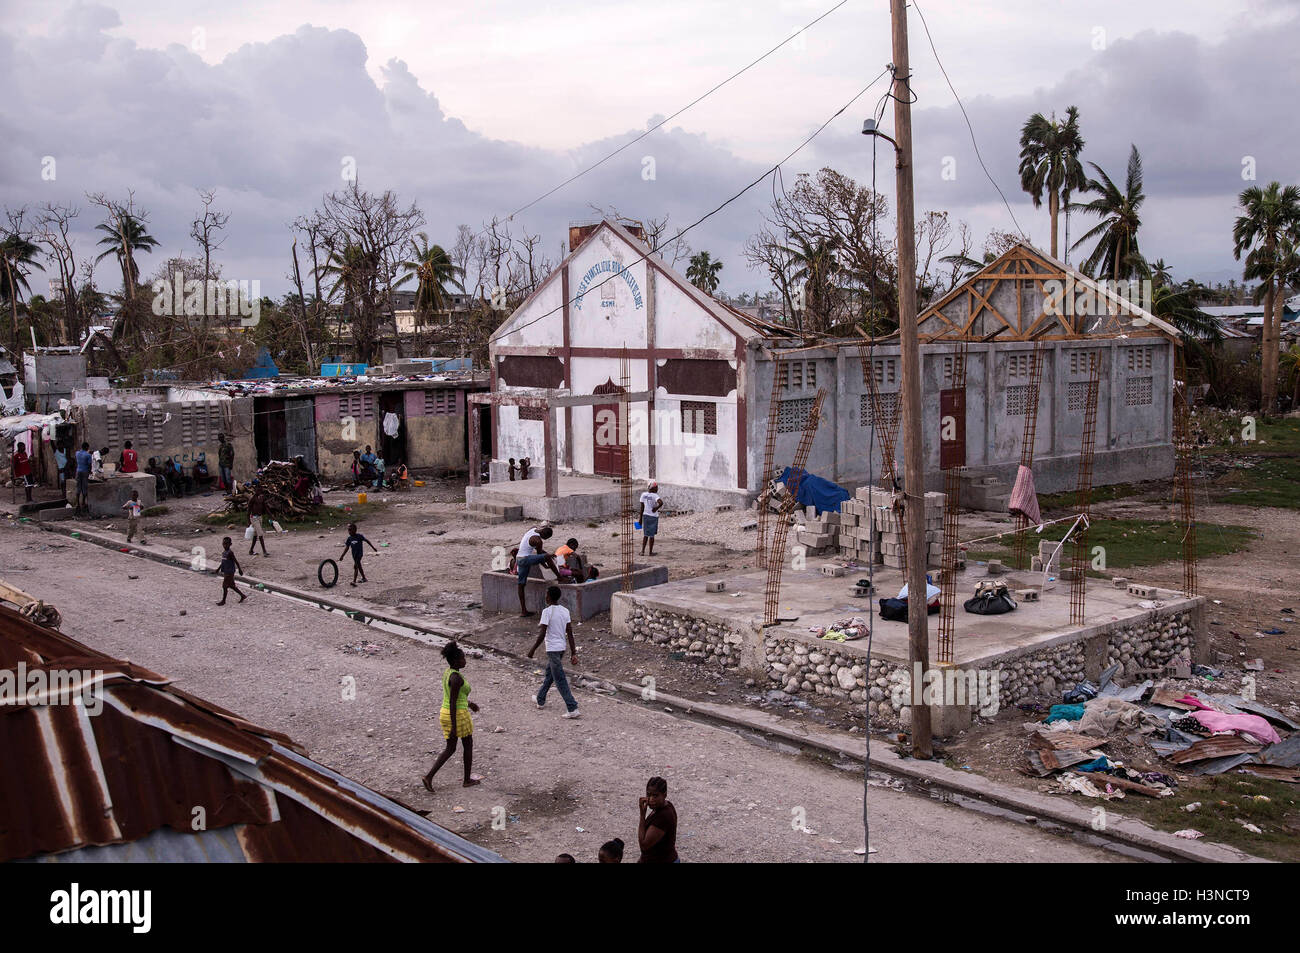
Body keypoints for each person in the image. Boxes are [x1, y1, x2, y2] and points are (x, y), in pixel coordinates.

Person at [422, 642, 482, 791]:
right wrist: (454, 727)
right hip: (457, 715)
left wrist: (470, 704)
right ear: (455, 661)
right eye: (462, 658)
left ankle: (429, 777)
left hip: (445, 712)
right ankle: (467, 780)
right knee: (467, 745)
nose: (465, 661)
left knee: (450, 748)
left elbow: (455, 697)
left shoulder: (448, 673)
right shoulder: (456, 679)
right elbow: (454, 702)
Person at [527, 585, 581, 718]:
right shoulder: (565, 611)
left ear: (550, 597)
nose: (545, 597)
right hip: (561, 648)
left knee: (559, 679)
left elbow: (542, 633)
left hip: (552, 649)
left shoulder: (547, 612)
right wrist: (573, 652)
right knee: (550, 674)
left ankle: (572, 707)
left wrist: (533, 649)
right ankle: (540, 699)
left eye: (546, 595)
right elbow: (570, 633)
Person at [514, 525, 561, 617]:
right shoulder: (539, 541)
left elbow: (538, 551)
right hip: (525, 559)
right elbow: (541, 556)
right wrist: (546, 565)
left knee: (521, 585)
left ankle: (524, 611)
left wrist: (547, 555)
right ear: (545, 536)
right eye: (546, 538)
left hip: (519, 558)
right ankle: (560, 577)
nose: (544, 540)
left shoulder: (533, 529)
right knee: (546, 557)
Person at [637, 776, 679, 863]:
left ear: (664, 795)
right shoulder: (664, 806)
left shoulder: (663, 816)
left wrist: (642, 815)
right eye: (648, 795)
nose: (651, 799)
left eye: (655, 796)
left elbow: (644, 845)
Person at [341, 521, 378, 586]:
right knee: (359, 566)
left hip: (359, 554)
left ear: (355, 530)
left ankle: (354, 581)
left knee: (356, 566)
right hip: (354, 555)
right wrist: (342, 556)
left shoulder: (359, 536)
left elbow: (367, 541)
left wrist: (373, 548)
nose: (349, 531)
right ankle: (364, 578)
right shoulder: (349, 538)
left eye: (350, 530)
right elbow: (347, 548)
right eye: (348, 530)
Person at [217, 536, 246, 605]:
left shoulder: (230, 553)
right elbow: (223, 562)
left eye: (226, 544)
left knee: (224, 586)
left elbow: (236, 561)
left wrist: (240, 570)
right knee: (231, 586)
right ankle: (242, 595)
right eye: (224, 544)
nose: (225, 545)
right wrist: (217, 569)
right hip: (226, 571)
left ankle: (223, 601)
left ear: (230, 544)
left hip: (229, 572)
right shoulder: (224, 552)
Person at [639, 482, 663, 556]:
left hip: (645, 516)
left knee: (645, 534)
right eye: (656, 488)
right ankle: (650, 552)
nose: (657, 489)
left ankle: (642, 551)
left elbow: (642, 508)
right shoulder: (655, 495)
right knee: (652, 535)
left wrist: (640, 519)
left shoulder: (644, 495)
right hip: (653, 517)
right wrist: (656, 508)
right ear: (653, 488)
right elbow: (661, 503)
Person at [247, 483, 269, 556]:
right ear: (255, 490)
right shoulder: (252, 498)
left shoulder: (261, 498)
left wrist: (271, 515)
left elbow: (265, 507)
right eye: (258, 490)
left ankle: (251, 550)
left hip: (259, 517)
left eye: (260, 490)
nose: (259, 491)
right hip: (254, 518)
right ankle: (264, 551)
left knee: (255, 535)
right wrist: (248, 521)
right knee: (260, 534)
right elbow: (248, 510)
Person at [74, 442, 92, 514]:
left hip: (78, 471)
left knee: (78, 487)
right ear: (87, 447)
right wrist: (90, 472)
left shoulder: (77, 453)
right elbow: (89, 465)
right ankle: (83, 502)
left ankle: (77, 503)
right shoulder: (88, 455)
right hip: (85, 472)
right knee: (84, 487)